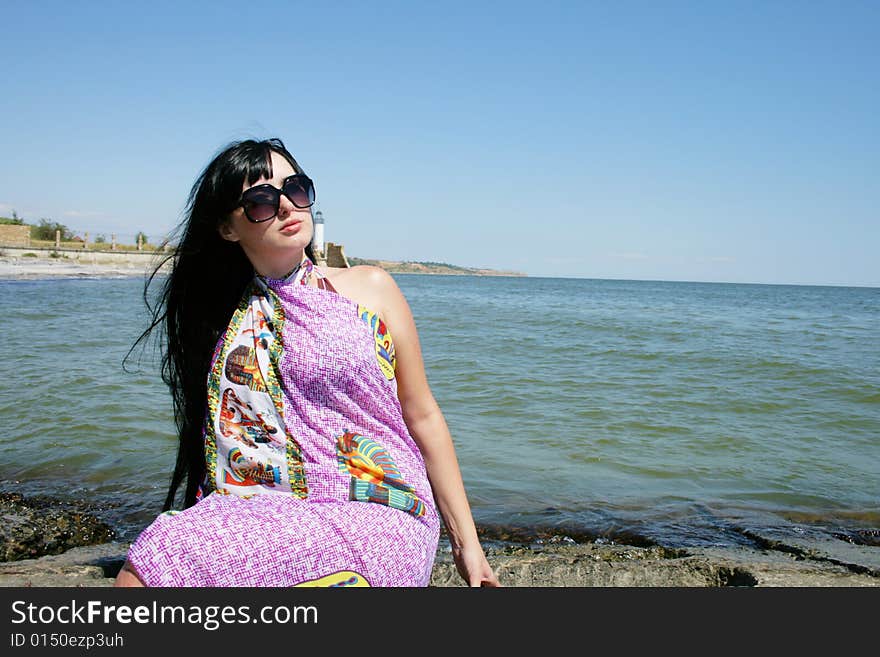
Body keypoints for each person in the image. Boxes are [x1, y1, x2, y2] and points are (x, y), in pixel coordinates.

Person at [115, 138, 499, 587]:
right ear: (227, 228)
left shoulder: (371, 288)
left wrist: (467, 546)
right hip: (262, 505)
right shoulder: (226, 319)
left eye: (295, 189)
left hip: (378, 504)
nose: (285, 206)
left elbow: (423, 413)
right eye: (260, 200)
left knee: (163, 557)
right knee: (153, 562)